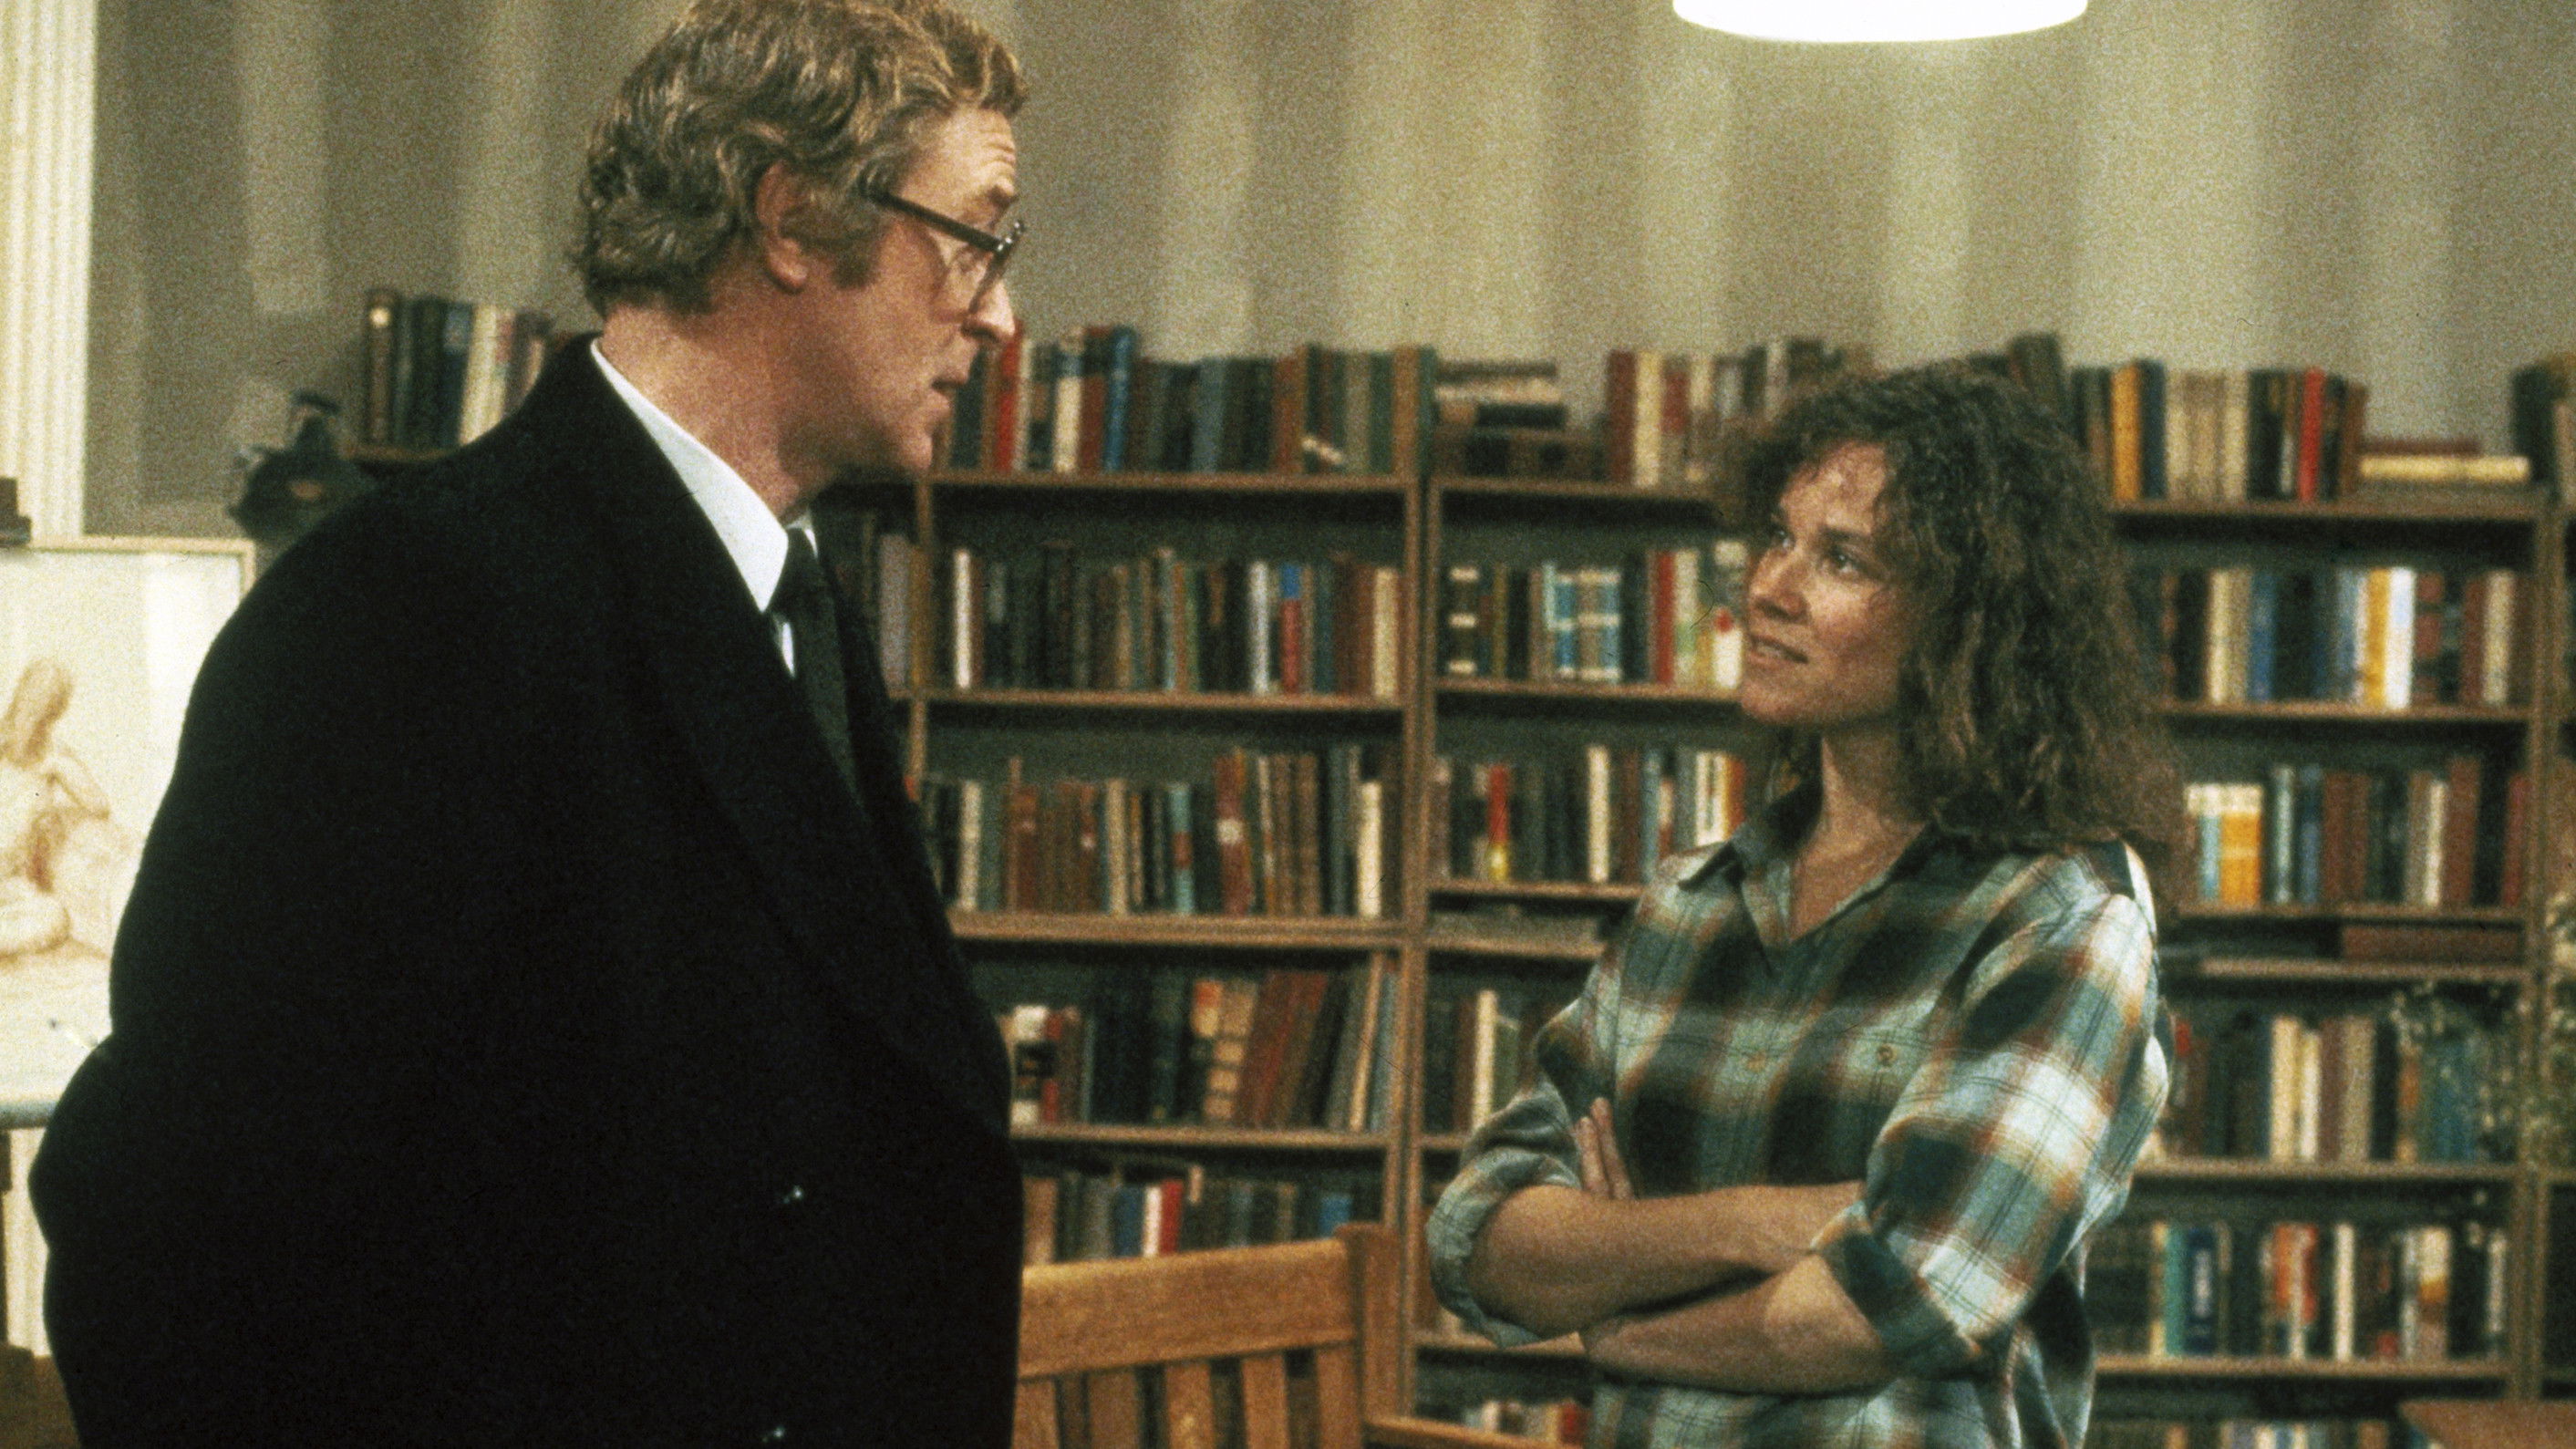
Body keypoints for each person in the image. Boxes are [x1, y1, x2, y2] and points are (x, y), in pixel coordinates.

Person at [33, 2, 1029, 1443]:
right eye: (972, 238)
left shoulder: (788, 594)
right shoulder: (408, 611)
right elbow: (172, 1239)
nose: (998, 314)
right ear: (791, 220)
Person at [1427, 364, 2180, 1447]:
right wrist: (1757, 1221)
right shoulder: (1688, 905)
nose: (1768, 589)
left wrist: (1621, 1317)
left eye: (1841, 558)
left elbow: (1892, 1300)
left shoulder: (2058, 916)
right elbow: (1478, 1237)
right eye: (1777, 537)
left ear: (1965, 619)